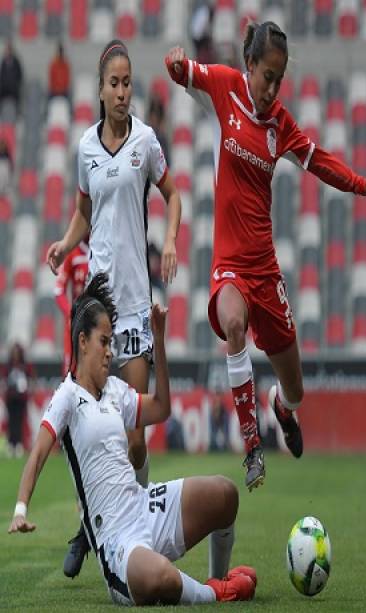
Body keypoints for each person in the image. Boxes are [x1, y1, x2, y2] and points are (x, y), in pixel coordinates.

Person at [165, 22, 366, 492]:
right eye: (266, 76)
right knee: (232, 324)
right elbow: (185, 71)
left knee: (296, 387)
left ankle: (283, 409)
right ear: (249, 66)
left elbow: (318, 159)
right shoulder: (225, 88)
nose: (271, 88)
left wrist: (360, 183)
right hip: (229, 262)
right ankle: (252, 445)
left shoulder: (281, 125)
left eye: (279, 80)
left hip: (265, 269)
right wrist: (175, 63)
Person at [8, 273, 256, 606]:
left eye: (112, 342)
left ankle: (219, 576)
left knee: (225, 494)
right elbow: (37, 455)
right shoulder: (66, 397)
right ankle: (217, 593)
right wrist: (20, 510)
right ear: (82, 342)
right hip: (115, 540)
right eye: (104, 341)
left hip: (143, 506)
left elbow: (162, 407)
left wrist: (160, 343)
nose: (111, 352)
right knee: (161, 577)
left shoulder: (114, 391)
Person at [47, 39, 182, 578]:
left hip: (135, 307)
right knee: (87, 431)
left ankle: (134, 531)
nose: (123, 92)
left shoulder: (146, 142)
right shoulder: (84, 148)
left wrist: (170, 239)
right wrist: (63, 241)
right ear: (101, 90)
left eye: (129, 83)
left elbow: (172, 195)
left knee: (131, 438)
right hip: (98, 310)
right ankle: (91, 525)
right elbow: (85, 211)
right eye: (115, 84)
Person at [54, 237, 89, 376]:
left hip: (97, 322)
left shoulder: (104, 249)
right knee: (71, 374)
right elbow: (58, 290)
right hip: (76, 324)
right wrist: (70, 314)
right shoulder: (73, 252)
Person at [4, 342, 32, 457]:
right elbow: (5, 380)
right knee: (11, 421)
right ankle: (11, 444)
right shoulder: (8, 366)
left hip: (21, 398)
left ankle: (19, 444)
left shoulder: (24, 366)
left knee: (20, 421)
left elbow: (30, 378)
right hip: (11, 398)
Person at [0, 41, 23, 114]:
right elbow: (2, 74)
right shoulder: (3, 62)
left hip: (13, 88)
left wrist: (15, 84)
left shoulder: (16, 61)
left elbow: (19, 75)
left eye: (8, 50)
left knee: (17, 97)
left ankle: (17, 113)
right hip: (5, 87)